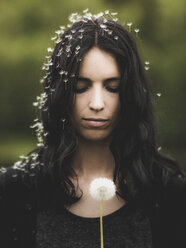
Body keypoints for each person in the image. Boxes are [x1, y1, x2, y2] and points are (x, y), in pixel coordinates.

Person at [0, 10, 185, 248]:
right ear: (60, 94)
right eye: (80, 87)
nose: (97, 104)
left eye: (113, 87)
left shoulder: (169, 192)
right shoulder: (15, 191)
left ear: (131, 94)